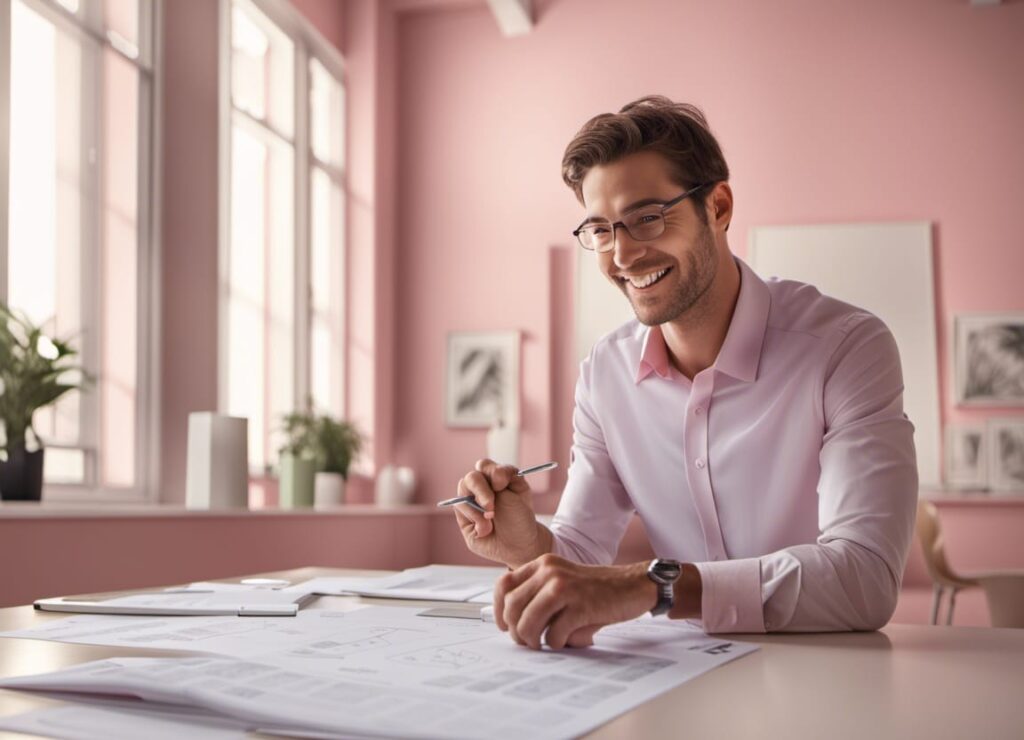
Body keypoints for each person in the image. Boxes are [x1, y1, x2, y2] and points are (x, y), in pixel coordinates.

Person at [450, 96, 918, 650]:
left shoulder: (846, 348)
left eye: (647, 218)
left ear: (718, 207)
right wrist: (525, 543)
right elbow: (577, 558)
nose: (622, 254)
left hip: (820, 676)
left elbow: (865, 578)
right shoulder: (605, 375)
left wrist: (655, 587)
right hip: (676, 676)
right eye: (601, 230)